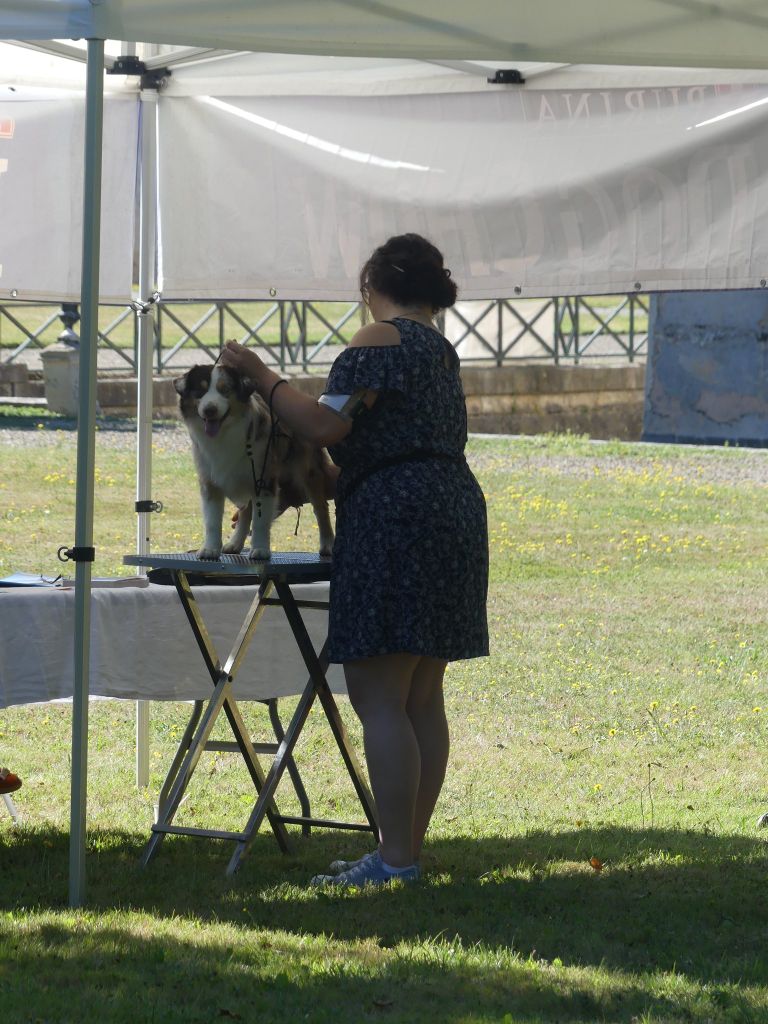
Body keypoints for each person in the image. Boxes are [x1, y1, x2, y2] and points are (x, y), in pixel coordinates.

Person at [221, 233, 489, 887]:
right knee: (421, 695)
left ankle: (394, 860)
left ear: (374, 284)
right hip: (450, 508)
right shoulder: (440, 349)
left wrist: (260, 375)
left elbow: (322, 425)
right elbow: (378, 447)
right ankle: (404, 851)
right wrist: (312, 484)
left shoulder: (380, 340)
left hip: (395, 524)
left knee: (378, 697)